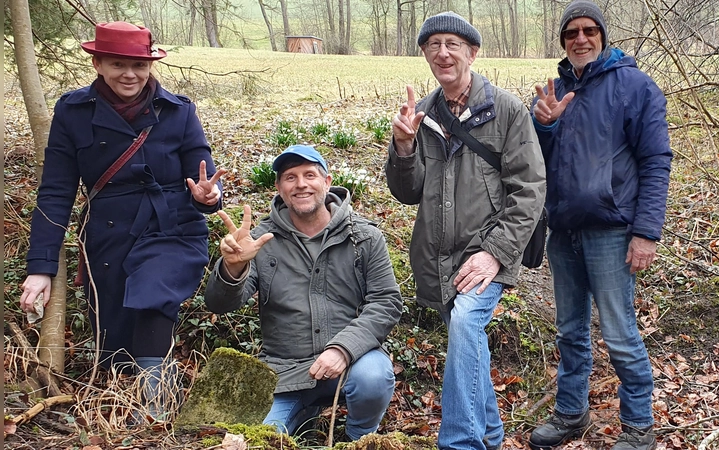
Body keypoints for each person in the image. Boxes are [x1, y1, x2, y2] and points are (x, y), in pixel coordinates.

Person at [19, 21, 224, 419]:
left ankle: (156, 408)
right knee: (113, 330)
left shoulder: (178, 111)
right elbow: (56, 191)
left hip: (172, 226)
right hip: (107, 231)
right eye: (118, 64)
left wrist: (208, 197)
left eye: (139, 65)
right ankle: (119, 410)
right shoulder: (73, 111)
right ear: (97, 63)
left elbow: (205, 179)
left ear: (151, 66)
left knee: (154, 294)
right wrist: (41, 266)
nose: (130, 74)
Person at [385, 12, 546, 450]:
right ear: (425, 54)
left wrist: (494, 253)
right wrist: (402, 147)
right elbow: (407, 191)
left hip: (487, 251)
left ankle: (460, 442)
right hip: (436, 258)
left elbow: (530, 190)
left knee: (464, 322)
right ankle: (491, 434)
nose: (443, 53)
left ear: (472, 53)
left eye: (453, 44)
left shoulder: (507, 111)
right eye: (433, 44)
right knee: (468, 342)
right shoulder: (420, 114)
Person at [526, 2, 672, 449]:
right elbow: (537, 167)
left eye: (590, 30)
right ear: (563, 41)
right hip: (564, 229)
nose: (581, 38)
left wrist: (646, 232)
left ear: (603, 36)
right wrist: (545, 127)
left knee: (619, 331)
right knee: (569, 330)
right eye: (571, 33)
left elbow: (656, 161)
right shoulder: (552, 91)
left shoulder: (634, 86)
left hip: (612, 230)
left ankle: (639, 426)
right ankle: (571, 413)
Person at [204, 145, 402, 441]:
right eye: (290, 177)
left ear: (327, 181)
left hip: (352, 364)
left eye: (310, 175)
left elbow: (386, 302)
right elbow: (219, 304)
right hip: (285, 375)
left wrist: (343, 349)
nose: (301, 184)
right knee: (264, 440)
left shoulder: (364, 236)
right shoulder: (259, 241)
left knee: (374, 377)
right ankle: (305, 413)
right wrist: (233, 267)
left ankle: (356, 439)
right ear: (279, 187)